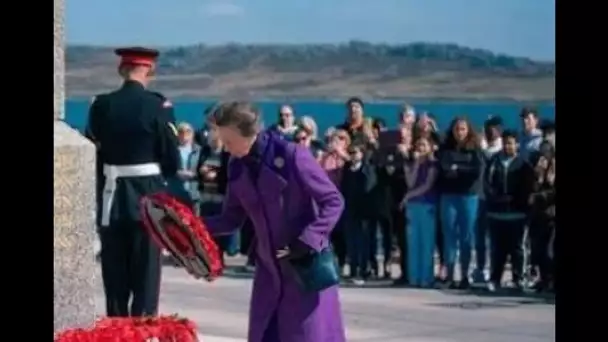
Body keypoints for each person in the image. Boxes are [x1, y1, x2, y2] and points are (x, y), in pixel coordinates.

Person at [202, 101, 346, 342]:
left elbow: (333, 201)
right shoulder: (237, 166)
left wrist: (310, 239)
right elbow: (231, 219)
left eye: (228, 141)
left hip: (303, 268)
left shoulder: (292, 156)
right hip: (269, 273)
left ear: (244, 131)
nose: (225, 148)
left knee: (308, 335)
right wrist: (191, 226)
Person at [85, 47, 179, 317]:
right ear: (149, 71)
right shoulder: (158, 105)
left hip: (112, 198)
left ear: (121, 70)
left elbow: (96, 151)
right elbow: (170, 158)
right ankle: (143, 332)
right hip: (148, 198)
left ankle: (116, 332)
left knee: (115, 279)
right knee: (146, 277)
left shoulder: (101, 105)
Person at [484, 130, 535, 292]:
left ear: (517, 145)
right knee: (497, 249)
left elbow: (527, 188)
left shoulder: (523, 164)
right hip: (496, 213)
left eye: (511, 143)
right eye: (505, 143)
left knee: (517, 249)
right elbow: (487, 184)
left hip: (517, 214)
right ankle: (495, 279)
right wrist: (496, 199)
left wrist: (515, 200)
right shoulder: (494, 162)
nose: (508, 146)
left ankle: (519, 278)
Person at [437, 117, 484, 289]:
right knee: (449, 236)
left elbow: (477, 171)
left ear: (468, 130)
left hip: (468, 196)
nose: (460, 132)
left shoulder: (474, 150)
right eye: (457, 129)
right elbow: (444, 168)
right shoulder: (446, 148)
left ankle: (465, 275)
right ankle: (450, 275)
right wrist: (458, 170)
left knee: (466, 237)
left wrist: (458, 169)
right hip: (449, 196)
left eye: (463, 129)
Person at [400, 136, 439, 288]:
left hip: (427, 205)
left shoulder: (433, 164)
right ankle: (414, 277)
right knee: (413, 242)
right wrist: (415, 164)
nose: (420, 148)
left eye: (423, 145)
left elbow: (427, 184)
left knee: (426, 242)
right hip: (413, 207)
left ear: (429, 147)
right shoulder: (413, 163)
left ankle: (426, 277)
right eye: (418, 145)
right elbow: (410, 182)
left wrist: (408, 195)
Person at [340, 144, 376, 285]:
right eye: (350, 153)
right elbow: (343, 188)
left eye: (355, 152)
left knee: (363, 242)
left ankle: (364, 270)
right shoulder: (347, 169)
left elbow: (369, 186)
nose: (352, 155)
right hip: (350, 209)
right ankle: (353, 270)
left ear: (362, 154)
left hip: (364, 211)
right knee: (351, 241)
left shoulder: (367, 169)